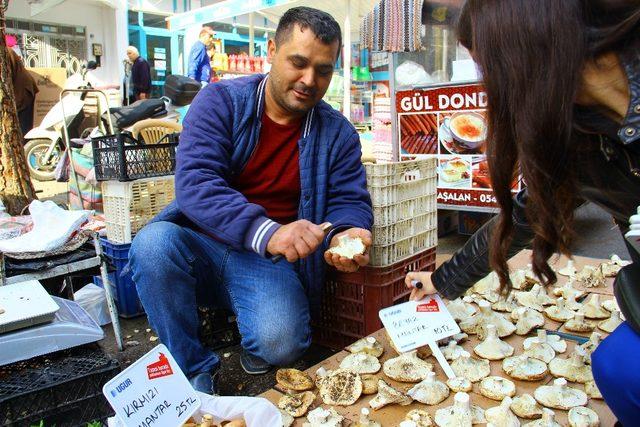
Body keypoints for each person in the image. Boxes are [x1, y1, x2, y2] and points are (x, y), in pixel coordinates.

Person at [405, 1, 640, 424]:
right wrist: (444, 279)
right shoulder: (574, 125)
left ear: (530, 52)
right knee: (618, 366)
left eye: (492, 71)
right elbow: (529, 214)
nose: (492, 89)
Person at [129, 7, 373, 395]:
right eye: (298, 62)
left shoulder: (338, 133)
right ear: (272, 49)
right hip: (203, 244)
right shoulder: (221, 102)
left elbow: (349, 200)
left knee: (282, 345)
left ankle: (247, 322)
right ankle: (191, 367)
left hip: (267, 261)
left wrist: (347, 232)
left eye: (324, 70)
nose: (310, 80)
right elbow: (195, 183)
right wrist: (268, 232)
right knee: (152, 245)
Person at [5, 39, 39, 137]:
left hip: (23, 91)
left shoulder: (4, 52)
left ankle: (24, 148)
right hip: (22, 89)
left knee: (23, 128)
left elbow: (6, 78)